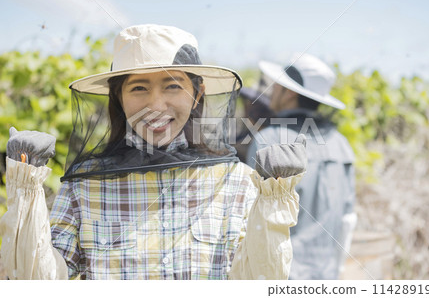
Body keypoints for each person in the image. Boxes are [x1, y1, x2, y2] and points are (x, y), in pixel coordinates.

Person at [0, 24, 307, 280]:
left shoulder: (237, 182)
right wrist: (26, 191)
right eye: (139, 88)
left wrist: (272, 203)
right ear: (118, 97)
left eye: (173, 86)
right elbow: (40, 281)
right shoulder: (84, 187)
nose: (156, 106)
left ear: (198, 93)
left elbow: (257, 280)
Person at [246, 53, 357, 279]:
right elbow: (347, 220)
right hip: (327, 277)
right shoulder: (341, 144)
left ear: (289, 93)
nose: (272, 90)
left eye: (277, 86)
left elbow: (249, 213)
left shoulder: (269, 139)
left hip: (278, 275)